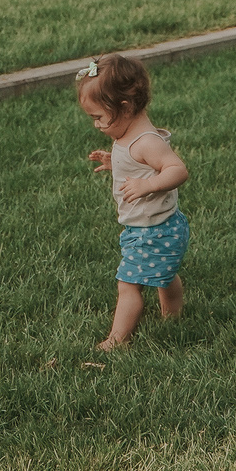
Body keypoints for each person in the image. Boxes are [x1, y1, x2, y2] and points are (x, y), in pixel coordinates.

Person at [77, 54, 189, 351]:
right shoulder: (129, 136)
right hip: (160, 227)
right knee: (164, 276)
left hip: (151, 231)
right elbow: (138, 164)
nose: (97, 125)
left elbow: (178, 169)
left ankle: (118, 340)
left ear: (125, 108)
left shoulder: (145, 141)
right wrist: (116, 163)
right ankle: (173, 317)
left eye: (99, 117)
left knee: (128, 285)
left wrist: (148, 185)